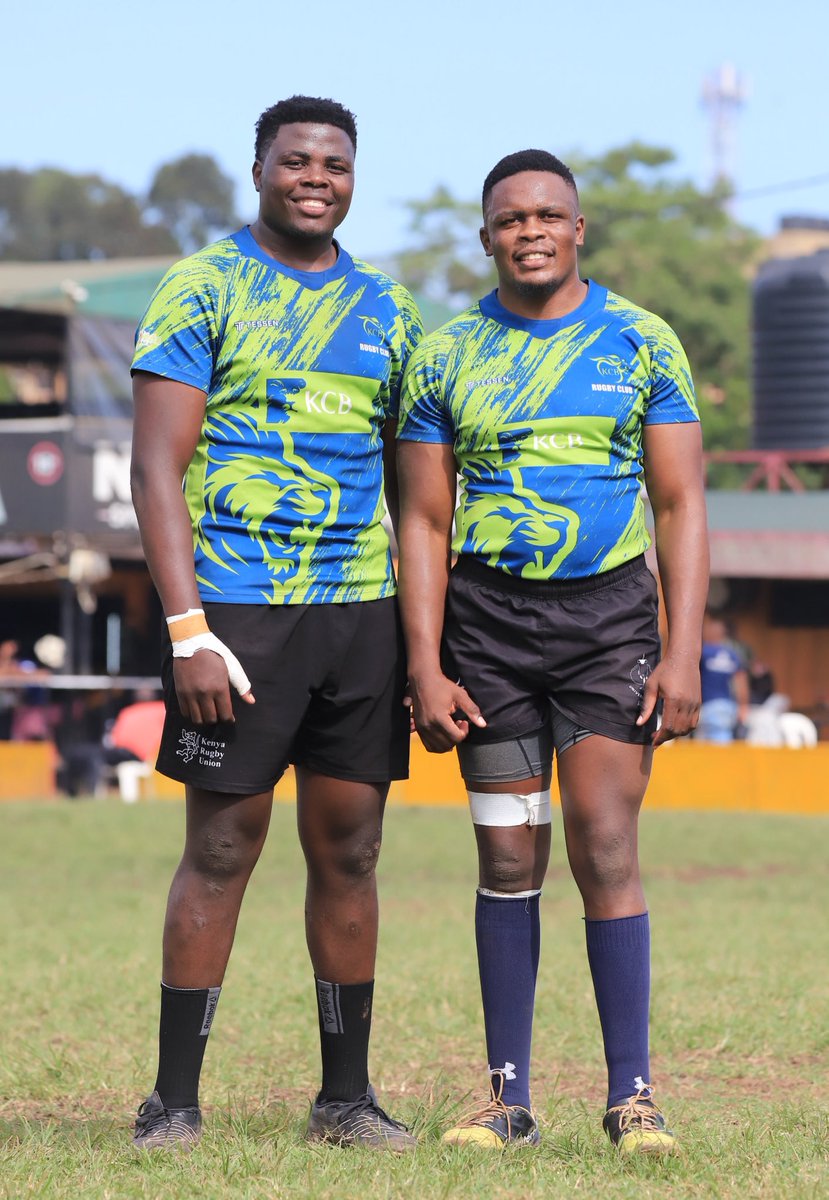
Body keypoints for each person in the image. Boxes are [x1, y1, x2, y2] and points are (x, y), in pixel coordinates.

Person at [396, 150, 708, 1155]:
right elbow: (423, 522)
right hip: (486, 630)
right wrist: (425, 662)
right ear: (484, 237)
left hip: (610, 625)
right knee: (506, 853)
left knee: (606, 844)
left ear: (579, 230)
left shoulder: (641, 342)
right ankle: (505, 1097)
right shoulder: (444, 357)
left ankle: (633, 1098)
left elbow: (679, 504)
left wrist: (684, 650)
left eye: (547, 215)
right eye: (508, 219)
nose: (528, 231)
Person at [129, 95, 422, 1154]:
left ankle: (344, 1098)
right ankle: (174, 1099)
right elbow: (155, 469)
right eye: (295, 160)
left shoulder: (390, 311)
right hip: (237, 613)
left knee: (351, 847)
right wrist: (186, 629)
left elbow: (415, 492)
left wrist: (418, 645)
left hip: (360, 615)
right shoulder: (202, 286)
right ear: (258, 171)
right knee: (221, 842)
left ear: (353, 176)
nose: (316, 176)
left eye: (335, 163)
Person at [697, 614, 749, 743]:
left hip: (707, 705)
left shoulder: (703, 652)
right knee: (723, 740)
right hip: (727, 705)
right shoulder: (732, 654)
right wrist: (743, 707)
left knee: (707, 746)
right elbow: (741, 682)